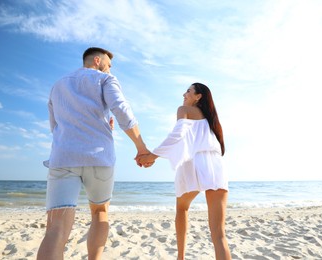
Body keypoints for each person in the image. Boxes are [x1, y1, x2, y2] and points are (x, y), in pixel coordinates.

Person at [37, 47, 150, 260]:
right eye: (108, 65)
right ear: (97, 61)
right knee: (100, 212)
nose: (109, 69)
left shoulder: (58, 85)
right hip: (99, 158)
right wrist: (141, 147)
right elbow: (121, 110)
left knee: (55, 229)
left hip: (64, 158)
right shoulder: (105, 79)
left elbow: (55, 126)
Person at [136, 83, 231, 260]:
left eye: (188, 91)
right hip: (216, 166)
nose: (184, 94)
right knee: (219, 235)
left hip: (193, 162)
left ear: (198, 96)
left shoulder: (183, 110)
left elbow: (177, 135)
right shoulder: (212, 121)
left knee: (182, 208)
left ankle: (181, 257)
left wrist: (153, 155)